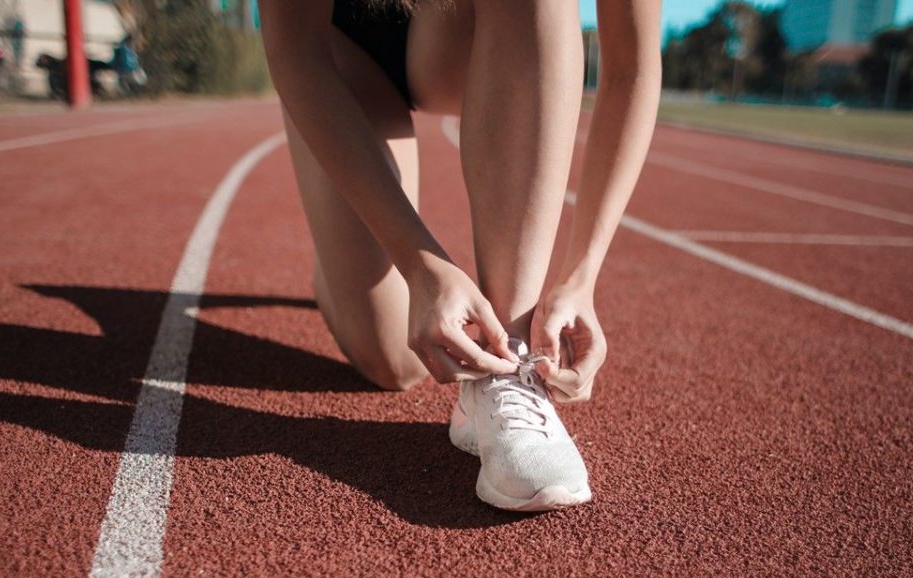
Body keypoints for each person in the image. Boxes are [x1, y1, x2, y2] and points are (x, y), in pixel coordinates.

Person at [259, 0, 660, 511]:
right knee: (395, 363)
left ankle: (506, 362)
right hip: (344, 43)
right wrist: (418, 264)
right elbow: (295, 49)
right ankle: (334, 269)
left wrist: (582, 276)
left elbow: (632, 67)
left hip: (463, 35)